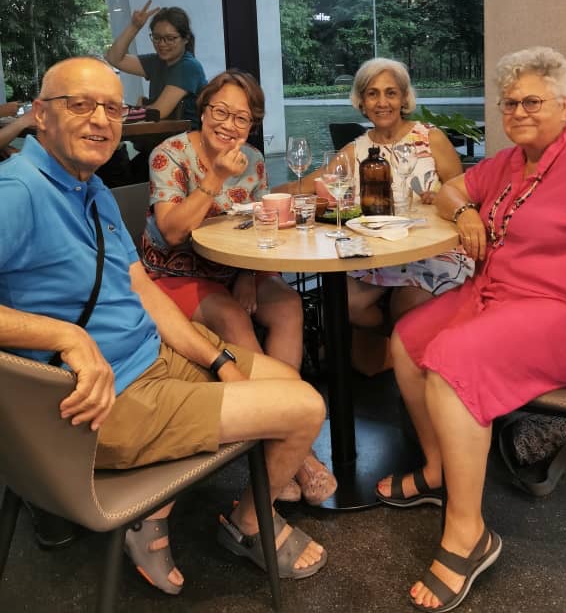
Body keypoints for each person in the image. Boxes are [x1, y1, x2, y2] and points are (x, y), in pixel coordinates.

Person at [0, 57, 328, 596]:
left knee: (288, 382)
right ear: (41, 114)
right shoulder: (18, 191)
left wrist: (216, 359)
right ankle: (248, 525)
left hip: (152, 355)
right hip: (102, 401)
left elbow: (143, 290)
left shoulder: (90, 187)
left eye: (112, 108)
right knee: (306, 408)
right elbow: (168, 249)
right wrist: (65, 336)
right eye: (80, 105)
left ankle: (193, 512)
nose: (100, 120)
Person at [375, 46, 566, 612]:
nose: (517, 112)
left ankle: (468, 535)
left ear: (565, 106)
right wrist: (464, 211)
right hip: (497, 299)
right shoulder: (511, 162)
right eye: (509, 102)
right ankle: (438, 468)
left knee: (451, 364)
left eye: (532, 102)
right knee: (406, 341)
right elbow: (451, 190)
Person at [142, 68, 337, 506]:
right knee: (233, 318)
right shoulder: (169, 154)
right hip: (176, 272)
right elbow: (171, 232)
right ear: (203, 110)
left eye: (242, 118)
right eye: (221, 112)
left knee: (287, 306)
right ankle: (294, 447)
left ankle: (285, 431)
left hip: (233, 268)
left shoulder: (252, 159)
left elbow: (255, 221)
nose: (229, 125)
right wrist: (213, 178)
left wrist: (248, 275)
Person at [278, 58, 474, 328]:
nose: (382, 102)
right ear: (362, 101)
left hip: (432, 252)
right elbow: (306, 185)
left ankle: (398, 341)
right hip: (377, 255)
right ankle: (387, 345)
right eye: (373, 94)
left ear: (403, 98)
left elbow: (464, 192)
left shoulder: (430, 138)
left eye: (390, 93)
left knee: (407, 305)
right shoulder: (354, 150)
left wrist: (442, 198)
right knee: (343, 305)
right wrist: (264, 195)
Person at [105, 0, 207, 129]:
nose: (162, 44)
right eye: (156, 38)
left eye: (170, 38)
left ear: (185, 38)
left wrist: (126, 112)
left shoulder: (188, 67)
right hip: (160, 136)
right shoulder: (156, 61)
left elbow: (158, 112)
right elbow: (114, 58)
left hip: (187, 138)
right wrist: (135, 26)